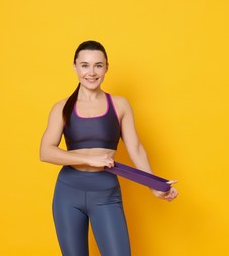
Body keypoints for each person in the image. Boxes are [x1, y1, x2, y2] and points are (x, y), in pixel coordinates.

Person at [40, 40, 178, 256]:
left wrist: (154, 184)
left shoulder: (120, 105)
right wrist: (89, 160)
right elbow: (46, 151)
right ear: (75, 67)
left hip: (105, 193)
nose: (91, 72)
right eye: (84, 65)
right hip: (68, 193)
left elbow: (136, 149)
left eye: (98, 65)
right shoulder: (61, 107)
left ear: (106, 67)